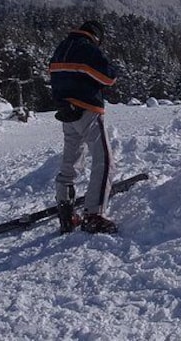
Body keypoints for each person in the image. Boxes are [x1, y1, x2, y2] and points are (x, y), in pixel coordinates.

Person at [48, 19, 120, 234]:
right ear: (96, 37)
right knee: (104, 160)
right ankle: (93, 214)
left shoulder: (61, 48)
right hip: (87, 109)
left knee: (70, 163)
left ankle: (66, 212)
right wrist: (111, 65)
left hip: (66, 111)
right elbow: (108, 77)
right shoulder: (87, 49)